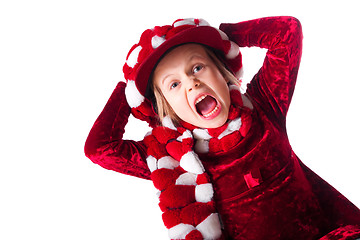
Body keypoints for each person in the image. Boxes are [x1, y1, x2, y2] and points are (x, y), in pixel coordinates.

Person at [84, 17, 360, 239]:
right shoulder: (171, 161)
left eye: (197, 68)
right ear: (164, 107)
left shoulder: (264, 106)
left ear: (222, 71)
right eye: (174, 84)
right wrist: (129, 89)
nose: (192, 83)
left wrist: (225, 34)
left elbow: (286, 33)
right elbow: (100, 148)